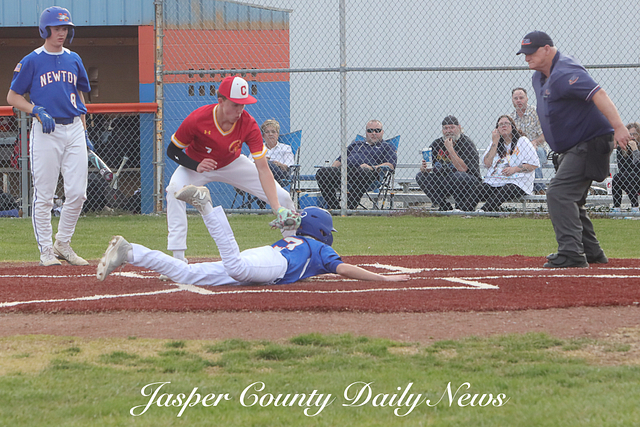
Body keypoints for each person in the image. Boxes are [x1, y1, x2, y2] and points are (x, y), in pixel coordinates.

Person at [97, 185, 410, 285]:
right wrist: (383, 278)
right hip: (272, 264)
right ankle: (206, 207)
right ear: (322, 231)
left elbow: (289, 221)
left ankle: (131, 251)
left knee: (188, 274)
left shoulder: (298, 237)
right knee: (235, 267)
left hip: (264, 259)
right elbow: (344, 269)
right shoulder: (317, 247)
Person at [517, 30, 632, 268]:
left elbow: (598, 94)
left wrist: (619, 127)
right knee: (572, 198)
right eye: (524, 53)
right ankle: (591, 252)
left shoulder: (566, 70)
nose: (527, 58)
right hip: (573, 146)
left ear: (546, 49)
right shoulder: (539, 77)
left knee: (558, 193)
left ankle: (571, 253)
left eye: (531, 52)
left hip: (591, 141)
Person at [165, 76, 297, 262]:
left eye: (243, 104)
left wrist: (276, 208)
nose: (240, 110)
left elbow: (263, 169)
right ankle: (178, 258)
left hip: (232, 163)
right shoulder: (198, 118)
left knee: (283, 197)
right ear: (220, 101)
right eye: (235, 104)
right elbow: (172, 150)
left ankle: (294, 251)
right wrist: (196, 165)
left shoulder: (248, 123)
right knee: (174, 191)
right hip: (198, 165)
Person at [6, 6, 91, 266]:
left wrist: (84, 129)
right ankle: (45, 250)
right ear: (45, 30)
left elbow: (79, 94)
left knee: (78, 193)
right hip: (46, 130)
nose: (61, 33)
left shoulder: (74, 58)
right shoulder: (32, 60)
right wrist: (35, 110)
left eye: (65, 28)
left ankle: (62, 243)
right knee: (44, 195)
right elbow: (12, 97)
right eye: (56, 28)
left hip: (73, 127)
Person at [316, 120, 397, 210]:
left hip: (367, 174)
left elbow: (391, 165)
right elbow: (340, 159)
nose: (373, 133)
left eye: (377, 130)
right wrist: (331, 170)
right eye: (370, 131)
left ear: (382, 132)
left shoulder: (387, 147)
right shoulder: (356, 144)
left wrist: (372, 167)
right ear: (366, 132)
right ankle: (334, 208)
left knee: (364, 172)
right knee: (321, 173)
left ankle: (349, 207)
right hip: (346, 171)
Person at [415, 115, 481, 212]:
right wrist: (424, 168)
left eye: (451, 127)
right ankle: (443, 206)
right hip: (445, 178)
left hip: (468, 181)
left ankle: (460, 207)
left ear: (459, 128)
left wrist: (450, 149)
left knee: (458, 176)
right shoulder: (437, 143)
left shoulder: (466, 143)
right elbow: (429, 166)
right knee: (420, 176)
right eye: (445, 128)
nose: (448, 131)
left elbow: (463, 169)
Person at [476, 115, 540, 212]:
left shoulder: (522, 141)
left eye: (506, 123)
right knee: (479, 190)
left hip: (518, 181)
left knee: (505, 190)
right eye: (500, 124)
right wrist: (495, 142)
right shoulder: (495, 142)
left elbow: (533, 164)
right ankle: (463, 210)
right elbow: (487, 163)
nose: (503, 126)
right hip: (496, 180)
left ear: (512, 126)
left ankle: (483, 211)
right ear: (497, 129)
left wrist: (514, 169)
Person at [510, 87, 548, 194]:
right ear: (512, 100)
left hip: (539, 149)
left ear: (527, 98)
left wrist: (534, 143)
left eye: (521, 98)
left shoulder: (536, 113)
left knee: (534, 153)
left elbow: (545, 135)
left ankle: (539, 189)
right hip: (520, 153)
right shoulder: (511, 118)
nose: (518, 100)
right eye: (516, 98)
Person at [254, 119, 295, 209]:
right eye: (267, 132)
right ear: (263, 135)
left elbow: (289, 166)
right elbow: (250, 163)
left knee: (268, 165)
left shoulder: (285, 148)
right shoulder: (258, 148)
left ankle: (262, 200)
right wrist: (261, 160)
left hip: (280, 173)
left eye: (273, 132)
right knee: (264, 164)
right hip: (260, 173)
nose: (270, 134)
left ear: (277, 134)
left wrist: (279, 164)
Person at [611, 122, 640, 213]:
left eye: (635, 134)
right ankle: (617, 208)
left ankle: (635, 208)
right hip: (628, 179)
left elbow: (638, 169)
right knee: (617, 177)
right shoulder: (621, 148)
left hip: (637, 178)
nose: (632, 137)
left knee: (630, 175)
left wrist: (635, 151)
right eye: (630, 134)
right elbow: (622, 169)